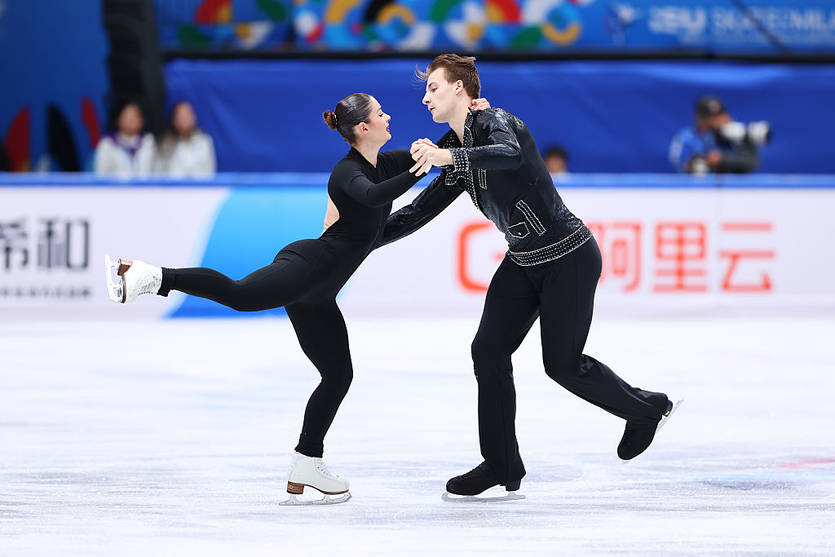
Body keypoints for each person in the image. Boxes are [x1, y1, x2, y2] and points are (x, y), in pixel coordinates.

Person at [104, 93, 431, 504]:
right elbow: (372, 197)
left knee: (338, 375)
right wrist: (421, 169)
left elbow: (444, 150)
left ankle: (307, 461)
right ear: (363, 128)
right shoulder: (347, 172)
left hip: (320, 292)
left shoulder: (383, 162)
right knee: (241, 295)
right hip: (308, 266)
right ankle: (150, 276)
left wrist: (461, 131)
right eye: (380, 114)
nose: (388, 117)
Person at [378, 54, 680, 497]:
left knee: (562, 366)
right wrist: (359, 243)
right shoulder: (457, 146)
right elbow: (419, 212)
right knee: (488, 351)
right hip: (522, 261)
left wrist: (448, 155)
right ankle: (501, 463)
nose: (425, 98)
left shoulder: (497, 122)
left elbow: (508, 154)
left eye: (434, 88)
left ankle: (644, 409)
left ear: (460, 89)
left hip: (569, 258)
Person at [669, 95, 764, 174]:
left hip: (731, 191)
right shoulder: (686, 138)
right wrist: (706, 160)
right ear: (699, 118)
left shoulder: (731, 135)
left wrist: (723, 158)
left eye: (718, 116)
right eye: (710, 118)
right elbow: (683, 165)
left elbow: (751, 162)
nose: (716, 122)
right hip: (695, 191)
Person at [154, 100, 216, 177]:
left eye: (186, 116)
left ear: (193, 118)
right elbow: (157, 173)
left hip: (198, 187)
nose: (182, 120)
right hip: (172, 187)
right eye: (179, 116)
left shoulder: (204, 142)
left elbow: (209, 172)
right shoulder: (166, 143)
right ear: (174, 120)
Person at [94, 102, 156, 177]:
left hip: (146, 187)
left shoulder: (149, 142)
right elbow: (101, 174)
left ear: (141, 121)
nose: (130, 119)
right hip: (116, 188)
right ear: (118, 119)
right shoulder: (107, 144)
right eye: (126, 116)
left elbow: (157, 172)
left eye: (134, 116)